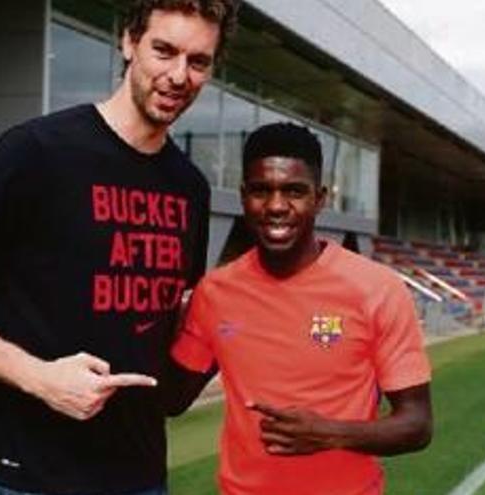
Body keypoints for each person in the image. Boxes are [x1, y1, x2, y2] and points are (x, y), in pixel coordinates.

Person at [0, 1, 239, 493]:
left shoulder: (190, 187)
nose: (178, 75)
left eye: (198, 61)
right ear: (128, 42)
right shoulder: (36, 152)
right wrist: (40, 377)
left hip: (139, 473)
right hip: (32, 474)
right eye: (164, 51)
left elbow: (167, 322)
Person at [170, 123, 434, 495]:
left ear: (320, 197)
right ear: (244, 196)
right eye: (262, 191)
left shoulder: (377, 288)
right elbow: (172, 399)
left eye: (294, 191)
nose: (277, 206)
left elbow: (417, 424)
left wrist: (330, 433)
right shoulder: (216, 291)